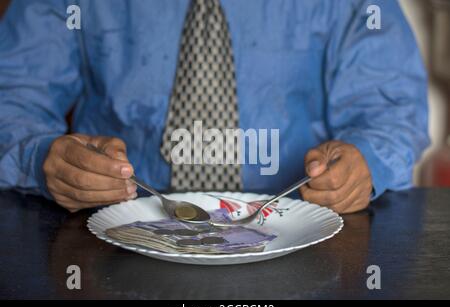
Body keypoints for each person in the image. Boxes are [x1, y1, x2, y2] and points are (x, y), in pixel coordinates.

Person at [0, 0, 429, 214]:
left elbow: (389, 110)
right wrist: (42, 158)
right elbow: (15, 94)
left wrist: (363, 163)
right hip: (108, 234)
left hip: (304, 232)